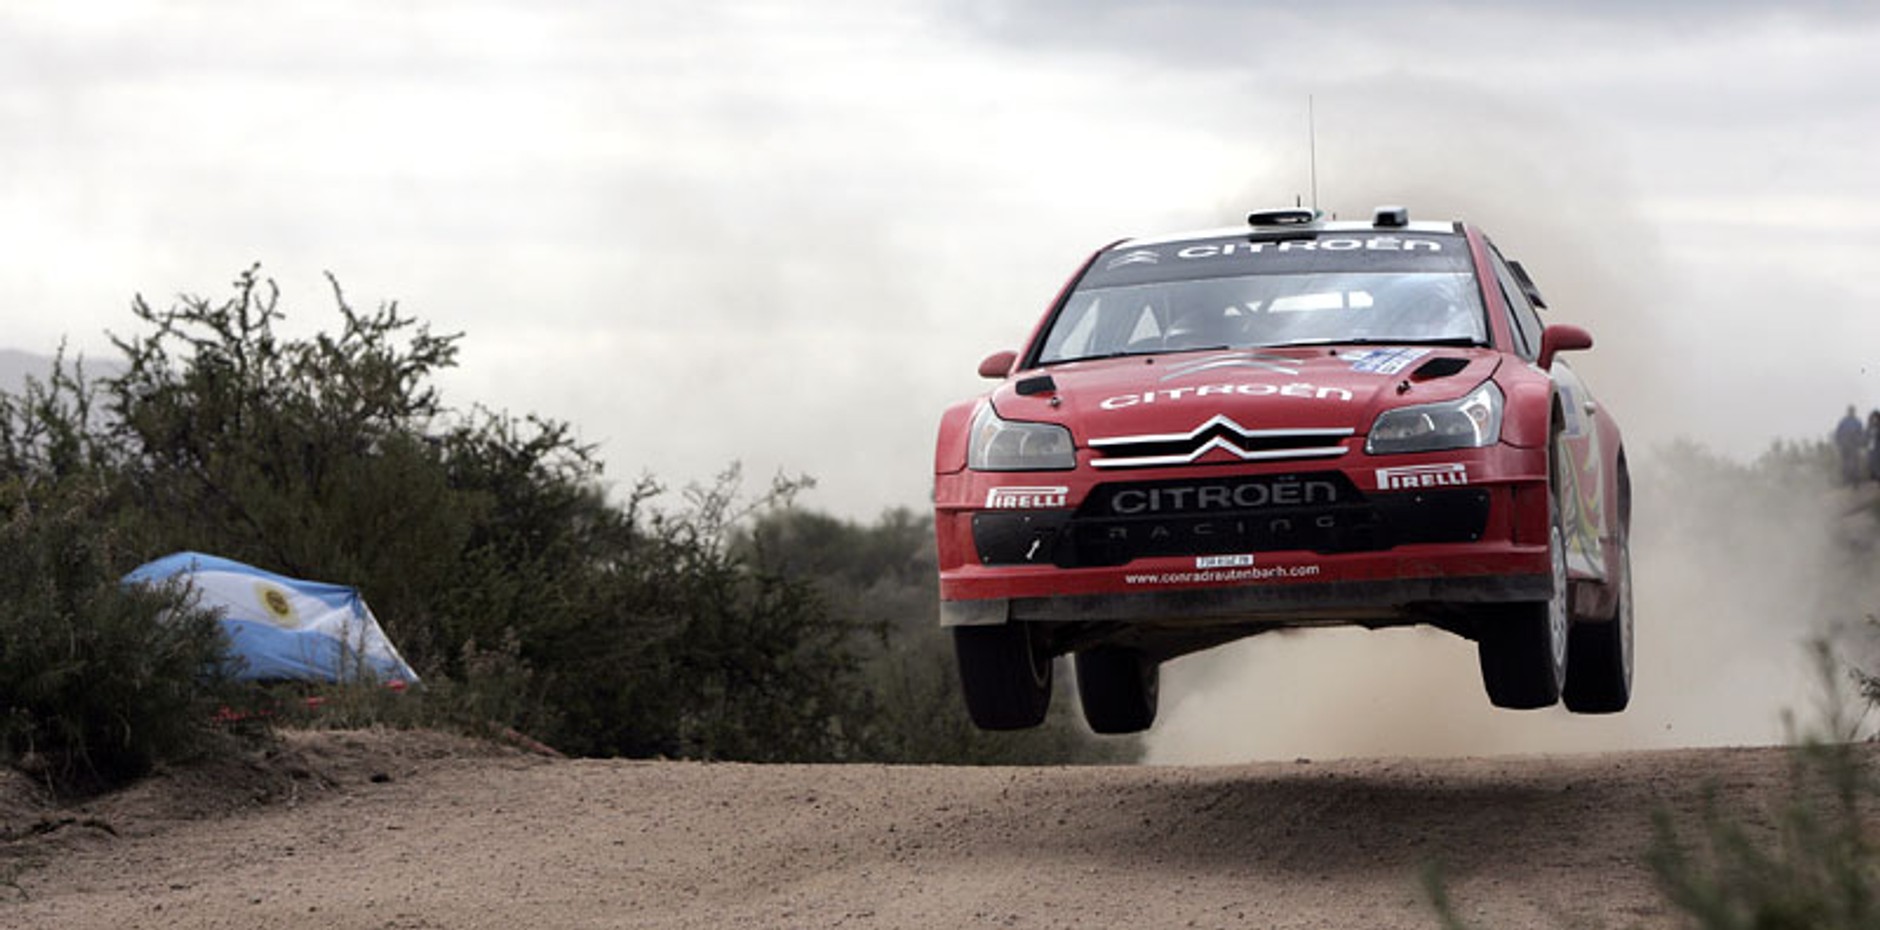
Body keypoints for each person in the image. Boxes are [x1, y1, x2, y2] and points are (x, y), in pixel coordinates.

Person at [1836, 405, 1865, 485]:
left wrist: (1861, 443)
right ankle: (1846, 480)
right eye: (1850, 410)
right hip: (1845, 445)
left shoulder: (1857, 421)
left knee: (1855, 463)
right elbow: (1838, 433)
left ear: (1854, 411)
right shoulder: (1843, 421)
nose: (1851, 412)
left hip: (1854, 445)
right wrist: (1839, 443)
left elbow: (1861, 433)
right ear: (1848, 411)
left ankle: (1856, 480)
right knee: (1845, 463)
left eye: (1852, 410)